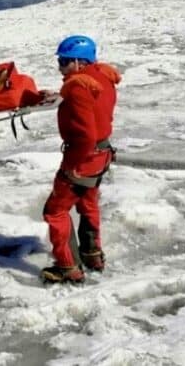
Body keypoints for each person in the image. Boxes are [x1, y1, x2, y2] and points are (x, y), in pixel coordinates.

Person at [41, 35, 121, 284]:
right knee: (88, 204)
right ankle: (92, 254)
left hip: (84, 158)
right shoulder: (102, 77)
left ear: (77, 62)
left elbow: (85, 135)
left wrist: (72, 165)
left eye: (64, 62)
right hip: (102, 155)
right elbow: (93, 105)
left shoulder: (77, 87)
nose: (60, 67)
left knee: (55, 211)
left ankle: (68, 266)